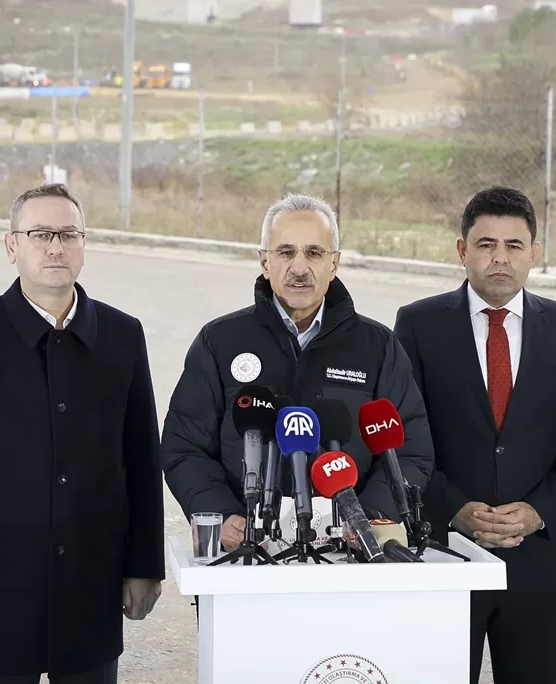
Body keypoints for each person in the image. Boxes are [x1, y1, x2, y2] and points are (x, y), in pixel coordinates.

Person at [0, 182, 164, 684]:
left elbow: (140, 458)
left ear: (84, 244)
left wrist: (144, 564)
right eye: (40, 234)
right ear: (12, 246)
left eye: (68, 234)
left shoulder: (122, 335)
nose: (55, 247)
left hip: (92, 583)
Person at [394, 186, 556, 684]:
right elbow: (401, 437)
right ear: (461, 249)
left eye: (514, 245)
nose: (500, 257)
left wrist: (540, 511)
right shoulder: (417, 324)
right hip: (443, 551)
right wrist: (453, 508)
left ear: (534, 252)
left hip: (538, 560)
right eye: (486, 243)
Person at [161, 192, 434, 553]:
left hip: (352, 553)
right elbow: (184, 447)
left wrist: (368, 518)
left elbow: (411, 451)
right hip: (249, 550)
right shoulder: (219, 341)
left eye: (314, 253)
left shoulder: (378, 346)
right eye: (286, 252)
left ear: (334, 263)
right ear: (265, 261)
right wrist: (222, 513)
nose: (300, 267)